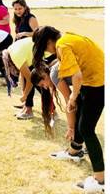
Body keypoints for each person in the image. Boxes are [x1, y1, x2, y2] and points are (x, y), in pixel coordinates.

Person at [32, 26, 104, 192]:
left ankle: (100, 180)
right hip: (94, 80)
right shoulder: (67, 38)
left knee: (86, 129)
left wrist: (72, 97)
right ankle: (74, 151)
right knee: (82, 121)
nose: (47, 51)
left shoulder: (62, 46)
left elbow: (77, 76)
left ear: (49, 41)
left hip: (98, 82)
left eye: (44, 48)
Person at [2, 37, 39, 119]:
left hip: (41, 53)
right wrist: (25, 98)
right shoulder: (11, 51)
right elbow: (23, 76)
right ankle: (27, 107)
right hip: (35, 53)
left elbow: (30, 80)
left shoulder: (16, 56)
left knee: (40, 84)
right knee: (31, 80)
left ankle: (52, 112)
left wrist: (25, 95)